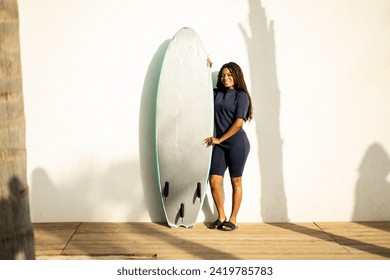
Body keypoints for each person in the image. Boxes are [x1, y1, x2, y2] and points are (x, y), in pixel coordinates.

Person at [203, 62, 253, 231]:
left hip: (237, 144)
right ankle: (221, 216)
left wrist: (219, 139)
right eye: (222, 75)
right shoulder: (216, 93)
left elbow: (239, 123)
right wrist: (204, 66)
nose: (225, 78)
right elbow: (199, 88)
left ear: (236, 76)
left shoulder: (241, 96)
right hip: (221, 144)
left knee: (236, 181)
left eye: (229, 75)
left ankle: (233, 219)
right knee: (214, 181)